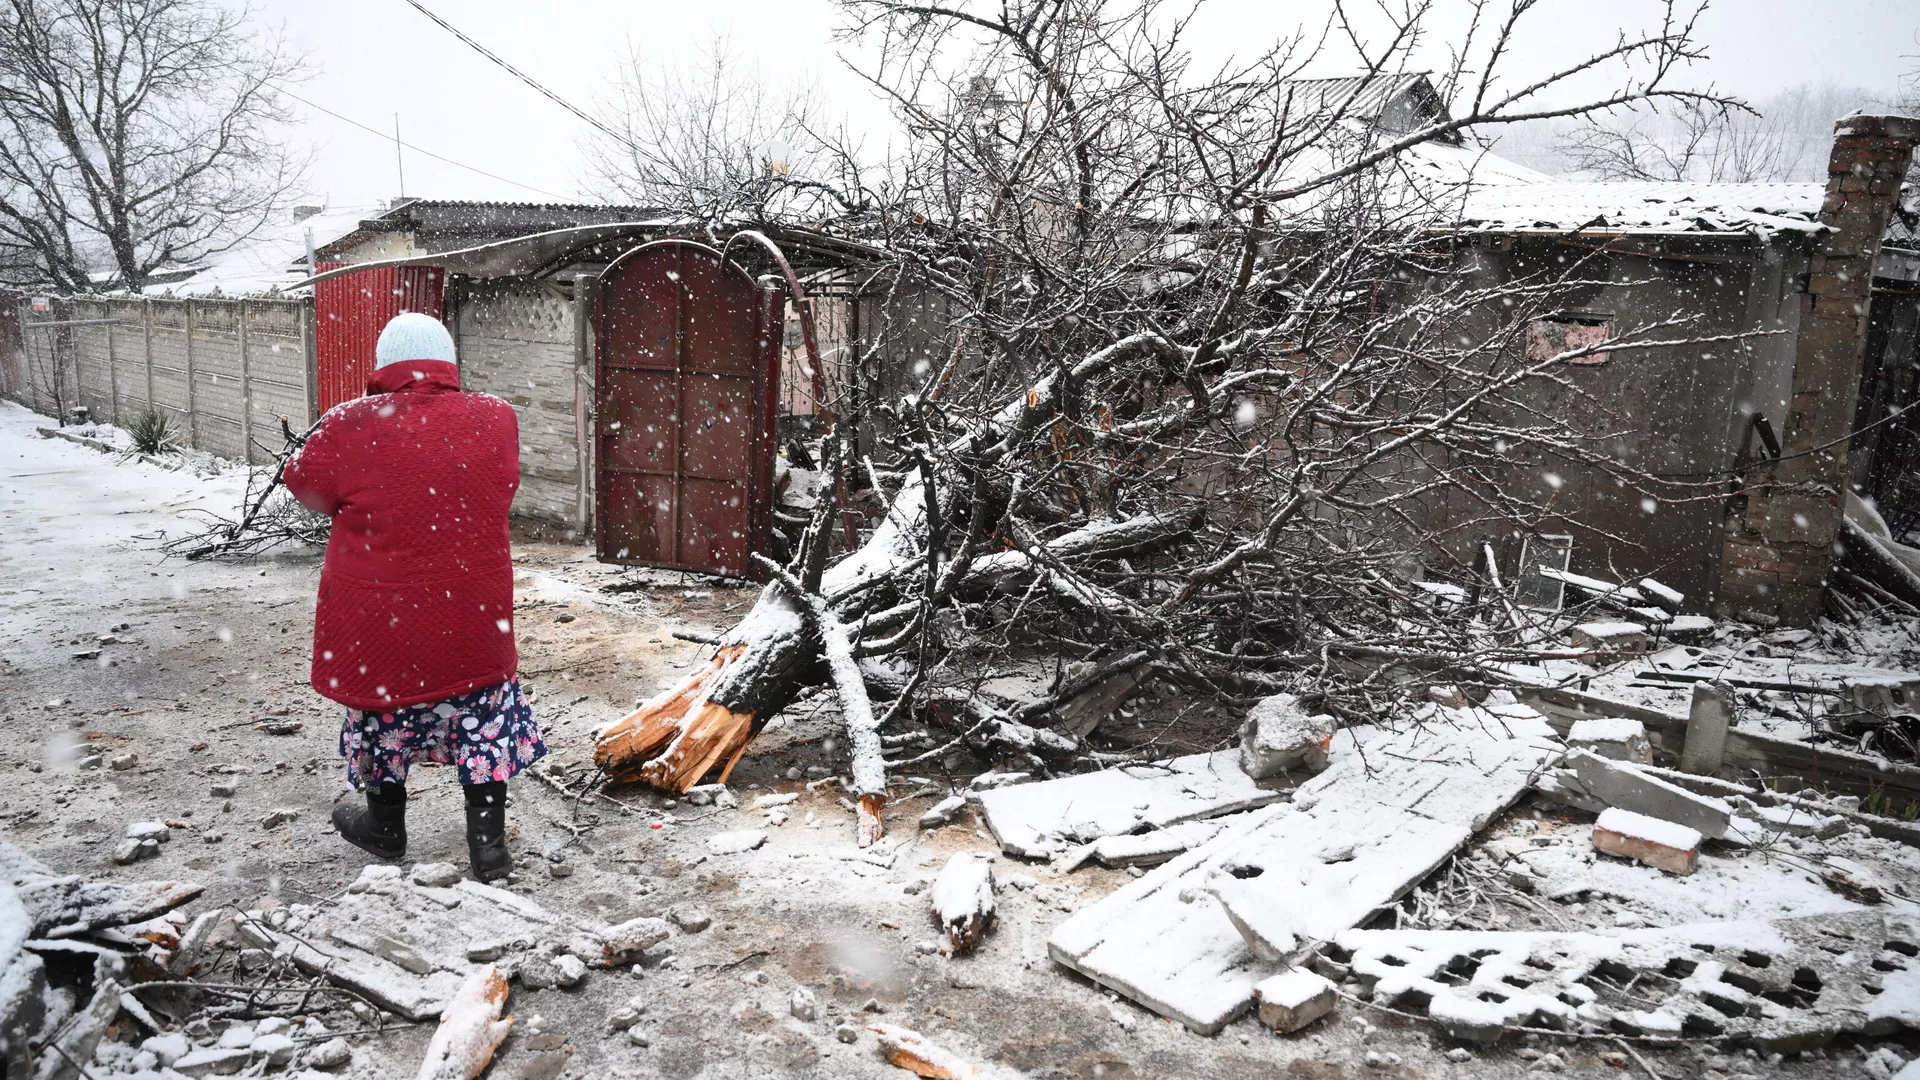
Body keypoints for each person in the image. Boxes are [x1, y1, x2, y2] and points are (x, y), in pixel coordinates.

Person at [284, 312, 545, 882]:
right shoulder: (496, 417)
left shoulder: (349, 423)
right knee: (482, 714)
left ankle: (384, 827)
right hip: (473, 615)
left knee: (384, 712)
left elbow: (303, 485)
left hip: (385, 620)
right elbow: (499, 486)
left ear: (382, 366)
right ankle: (488, 845)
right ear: (449, 362)